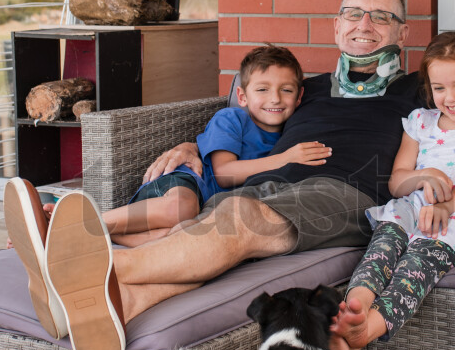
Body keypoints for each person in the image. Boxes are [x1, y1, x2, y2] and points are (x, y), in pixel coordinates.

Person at [5, 0, 455, 350]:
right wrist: (192, 144)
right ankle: (115, 300)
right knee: (193, 233)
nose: (364, 25)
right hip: (271, 190)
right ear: (336, 25)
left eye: (381, 17)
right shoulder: (307, 88)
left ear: (403, 33)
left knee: (238, 220)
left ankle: (86, 268)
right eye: (354, 14)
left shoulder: (423, 91)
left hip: (343, 196)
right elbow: (247, 117)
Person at [328, 32, 455, 350]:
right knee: (380, 251)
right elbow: (397, 181)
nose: (450, 98)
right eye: (439, 88)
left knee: (414, 268)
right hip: (410, 209)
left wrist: (446, 206)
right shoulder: (420, 121)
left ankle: (365, 332)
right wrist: (424, 175)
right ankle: (355, 311)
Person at [100, 45, 331, 247]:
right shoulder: (232, 118)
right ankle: (93, 223)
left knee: (182, 234)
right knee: (181, 209)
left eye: (286, 90)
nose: (275, 98)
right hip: (187, 181)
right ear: (242, 96)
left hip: (206, 206)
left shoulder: (292, 133)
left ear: (299, 96)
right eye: (262, 89)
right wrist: (285, 158)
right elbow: (223, 173)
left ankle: (111, 238)